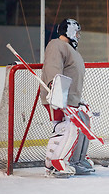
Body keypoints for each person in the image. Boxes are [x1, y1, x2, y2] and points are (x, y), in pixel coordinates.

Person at [40, 18, 95, 177]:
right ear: (70, 31)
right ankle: (54, 164)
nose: (78, 36)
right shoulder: (56, 45)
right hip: (58, 97)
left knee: (82, 125)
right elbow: (53, 67)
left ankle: (77, 160)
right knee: (65, 129)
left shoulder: (71, 49)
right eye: (77, 32)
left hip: (71, 99)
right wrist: (54, 88)